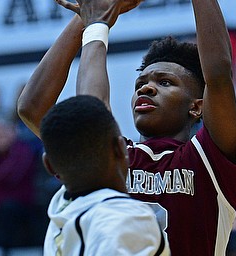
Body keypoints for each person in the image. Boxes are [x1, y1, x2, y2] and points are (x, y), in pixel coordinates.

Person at [17, 0, 236, 255]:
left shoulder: (209, 158)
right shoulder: (113, 155)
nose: (146, 88)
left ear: (197, 107)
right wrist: (92, 14)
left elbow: (218, 76)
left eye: (165, 82)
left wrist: (97, 21)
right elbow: (34, 108)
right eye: (140, 83)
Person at [40, 94, 170, 255]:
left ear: (49, 166)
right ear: (120, 148)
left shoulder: (60, 206)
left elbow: (28, 107)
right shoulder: (126, 218)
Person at [0, 118, 37, 255]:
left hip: (18, 203)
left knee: (6, 207)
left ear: (12, 134)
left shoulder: (23, 151)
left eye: (2, 134)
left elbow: (12, 177)